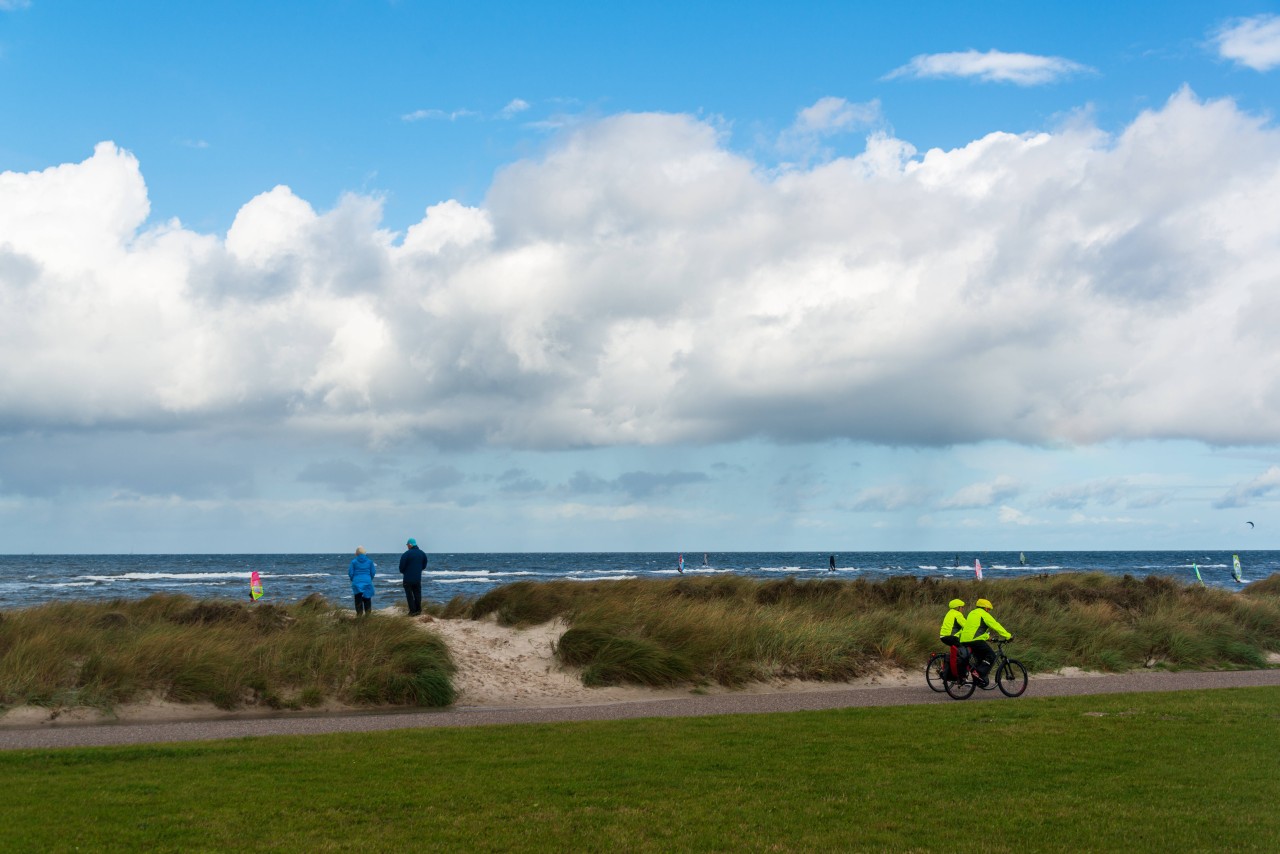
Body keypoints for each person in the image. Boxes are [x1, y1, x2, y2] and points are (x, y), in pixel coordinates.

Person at [959, 597, 1012, 686]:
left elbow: (974, 630)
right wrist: (1007, 635)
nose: (988, 611)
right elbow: (995, 625)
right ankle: (978, 673)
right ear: (986, 608)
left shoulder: (972, 613)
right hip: (975, 641)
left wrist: (987, 637)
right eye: (988, 609)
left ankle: (979, 679)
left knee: (981, 659)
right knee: (991, 656)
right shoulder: (983, 614)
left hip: (964, 640)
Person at [399, 537, 428, 615]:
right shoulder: (422, 553)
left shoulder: (406, 554)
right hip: (417, 578)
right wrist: (418, 570)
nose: (407, 546)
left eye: (407, 544)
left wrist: (405, 572)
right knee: (417, 594)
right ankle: (418, 610)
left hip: (407, 578)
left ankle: (412, 611)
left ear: (410, 545)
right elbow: (424, 565)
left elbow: (401, 568)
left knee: (409, 595)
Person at [348, 547, 376, 616]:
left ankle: (359, 616)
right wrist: (369, 579)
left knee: (358, 600)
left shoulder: (353, 562)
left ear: (357, 553)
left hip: (357, 583)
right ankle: (367, 616)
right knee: (367, 600)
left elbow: (350, 573)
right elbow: (373, 572)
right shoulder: (369, 562)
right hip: (367, 582)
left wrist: (353, 579)